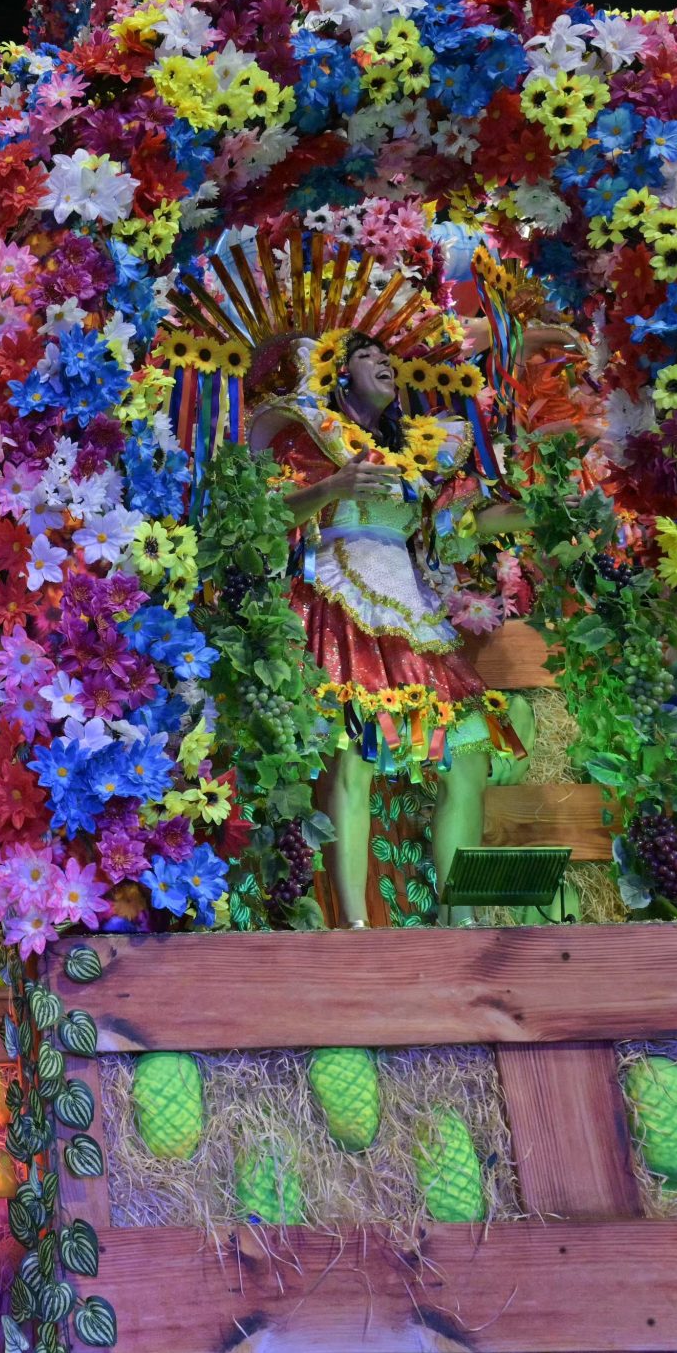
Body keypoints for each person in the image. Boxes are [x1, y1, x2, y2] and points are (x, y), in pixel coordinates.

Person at [252, 326, 518, 927]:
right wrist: (331, 487)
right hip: (341, 600)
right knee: (356, 757)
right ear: (339, 374)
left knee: (467, 755)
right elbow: (265, 518)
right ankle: (355, 927)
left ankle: (461, 920)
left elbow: (456, 529)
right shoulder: (310, 434)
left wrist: (536, 513)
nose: (385, 364)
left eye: (389, 358)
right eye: (368, 356)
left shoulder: (425, 450)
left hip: (412, 612)